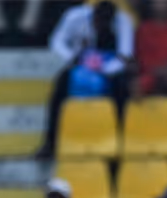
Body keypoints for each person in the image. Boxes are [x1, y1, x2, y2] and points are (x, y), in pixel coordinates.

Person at [40, 1, 134, 156]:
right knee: (60, 86)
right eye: (98, 22)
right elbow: (56, 41)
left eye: (105, 24)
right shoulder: (74, 17)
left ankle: (120, 141)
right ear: (93, 16)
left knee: (122, 89)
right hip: (78, 63)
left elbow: (125, 55)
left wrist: (104, 69)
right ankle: (50, 143)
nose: (100, 27)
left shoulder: (123, 22)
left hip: (108, 66)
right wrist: (73, 58)